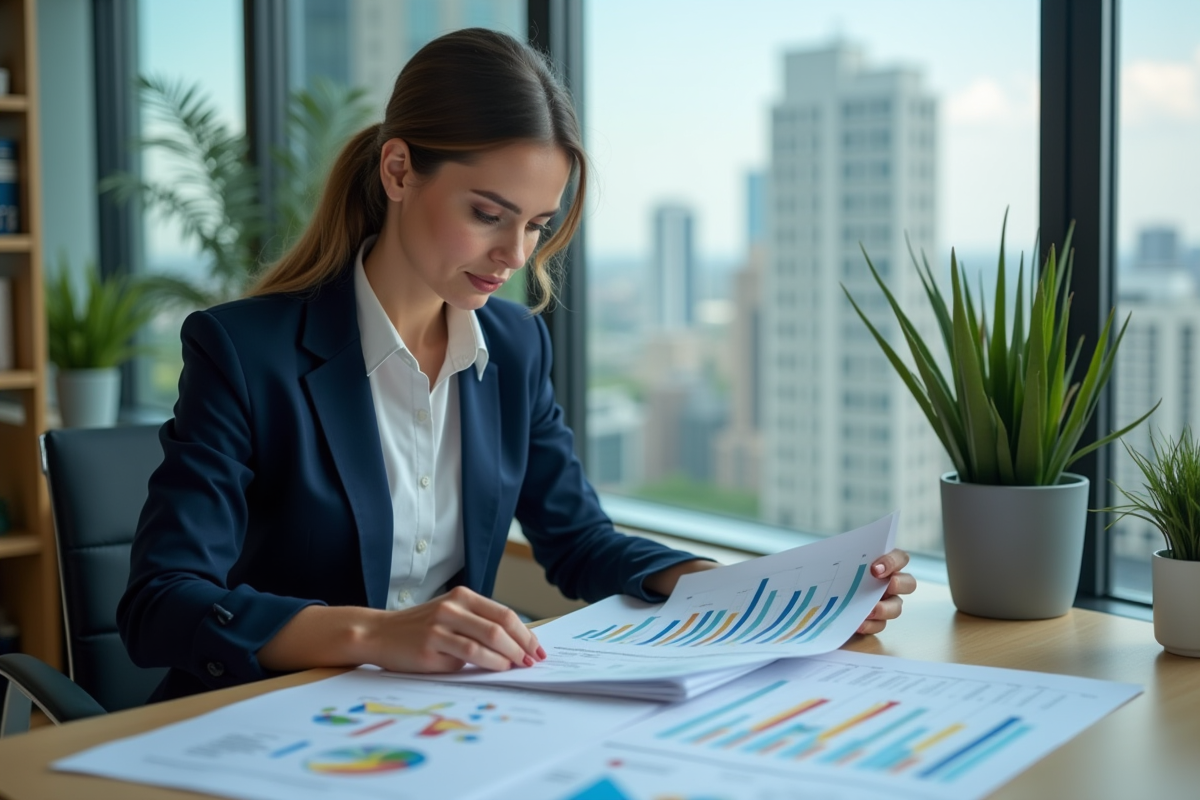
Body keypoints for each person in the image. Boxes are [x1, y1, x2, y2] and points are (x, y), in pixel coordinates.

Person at [118, 28, 916, 703]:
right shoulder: (241, 351)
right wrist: (378, 634)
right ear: (398, 171)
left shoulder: (513, 348)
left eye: (536, 224)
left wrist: (760, 595)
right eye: (486, 214)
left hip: (440, 716)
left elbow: (579, 542)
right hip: (258, 717)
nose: (514, 254)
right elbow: (162, 604)